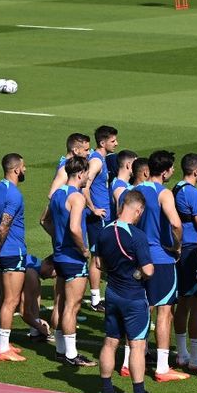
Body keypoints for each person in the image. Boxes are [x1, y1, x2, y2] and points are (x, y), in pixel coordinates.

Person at [94, 188, 163, 393]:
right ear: (138, 210)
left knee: (110, 342)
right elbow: (149, 270)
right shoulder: (137, 236)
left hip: (112, 293)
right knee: (137, 346)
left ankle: (106, 390)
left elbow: (97, 263)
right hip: (133, 296)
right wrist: (136, 273)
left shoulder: (104, 231)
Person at [131, 150, 188, 382]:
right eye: (172, 168)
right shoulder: (164, 194)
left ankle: (129, 361)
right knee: (164, 312)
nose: (173, 171)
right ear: (164, 171)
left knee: (141, 308)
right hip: (161, 260)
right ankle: (162, 368)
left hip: (138, 258)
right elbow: (175, 223)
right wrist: (177, 246)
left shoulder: (134, 191)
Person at [41, 155, 95, 367]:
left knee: (62, 303)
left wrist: (58, 239)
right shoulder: (77, 197)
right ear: (80, 174)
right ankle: (71, 355)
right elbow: (74, 228)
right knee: (72, 307)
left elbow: (45, 221)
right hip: (73, 258)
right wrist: (83, 249)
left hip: (60, 256)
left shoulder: (57, 194)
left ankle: (61, 350)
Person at [0, 153, 29, 362]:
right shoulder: (14, 195)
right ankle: (3, 349)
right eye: (24, 167)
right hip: (12, 252)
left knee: (3, 298)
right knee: (12, 300)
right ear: (16, 169)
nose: (25, 170)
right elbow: (4, 224)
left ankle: (2, 343)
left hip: (3, 251)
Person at [172, 153, 197, 371]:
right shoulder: (193, 194)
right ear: (195, 171)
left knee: (183, 304)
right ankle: (195, 357)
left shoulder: (176, 188)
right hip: (193, 251)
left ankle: (182, 353)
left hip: (180, 250)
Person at [86, 125, 120, 311]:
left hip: (105, 215)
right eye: (113, 141)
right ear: (102, 142)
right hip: (99, 217)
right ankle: (95, 299)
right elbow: (84, 184)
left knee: (102, 256)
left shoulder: (101, 158)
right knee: (97, 256)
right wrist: (93, 209)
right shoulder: (97, 161)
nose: (116, 143)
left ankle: (98, 297)